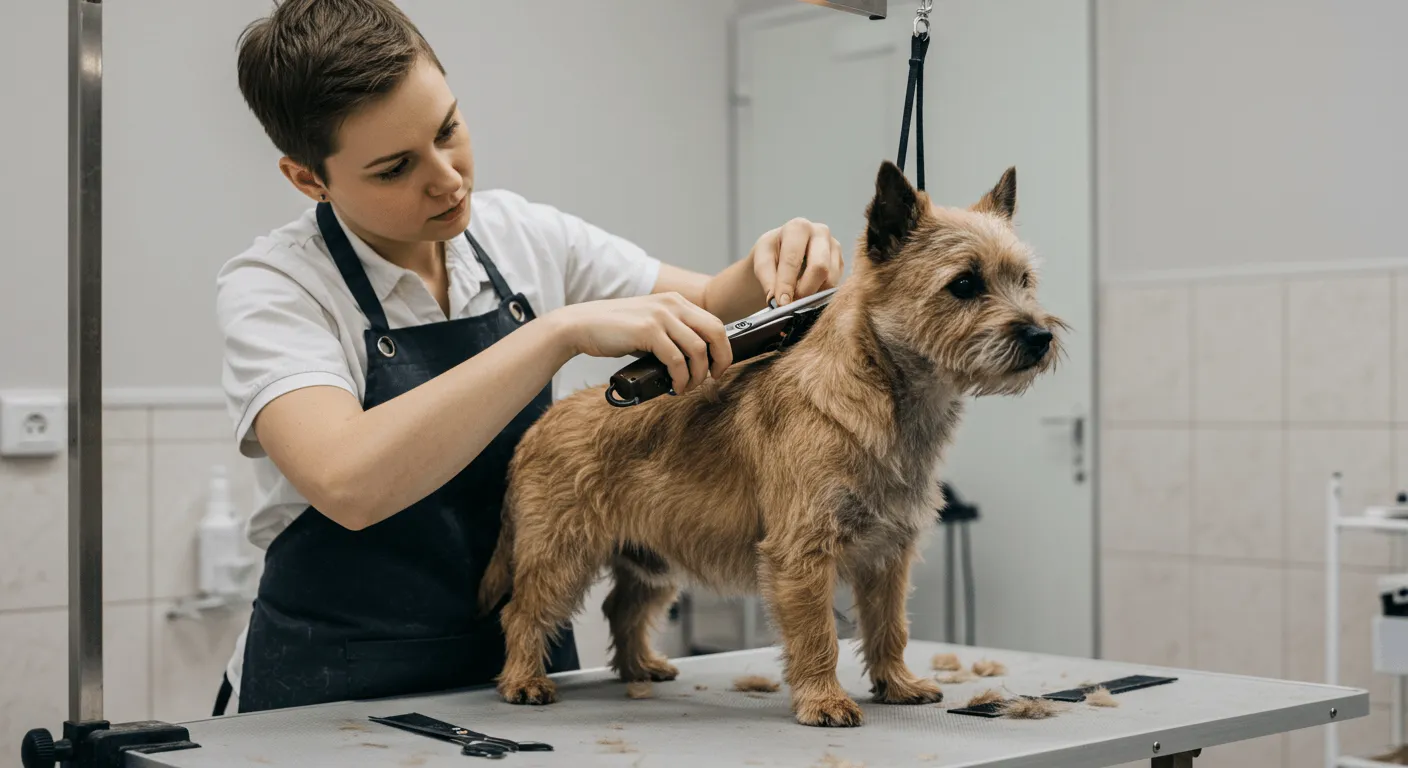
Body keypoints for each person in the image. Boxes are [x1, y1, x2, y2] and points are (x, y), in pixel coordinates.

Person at [212, 0, 844, 715]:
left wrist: (771, 262)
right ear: (308, 178)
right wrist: (556, 333)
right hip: (333, 687)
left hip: (525, 674)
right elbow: (347, 482)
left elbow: (708, 304)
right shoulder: (276, 287)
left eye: (449, 129)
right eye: (394, 168)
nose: (447, 178)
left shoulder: (521, 234)